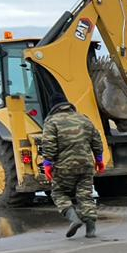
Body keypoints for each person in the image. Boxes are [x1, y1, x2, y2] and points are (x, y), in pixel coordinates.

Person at [40, 100, 105, 238]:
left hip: (64, 166)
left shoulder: (51, 121)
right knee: (85, 195)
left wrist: (47, 164)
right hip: (86, 165)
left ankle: (74, 219)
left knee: (59, 193)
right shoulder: (84, 119)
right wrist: (99, 160)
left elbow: (48, 144)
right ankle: (91, 229)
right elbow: (96, 140)